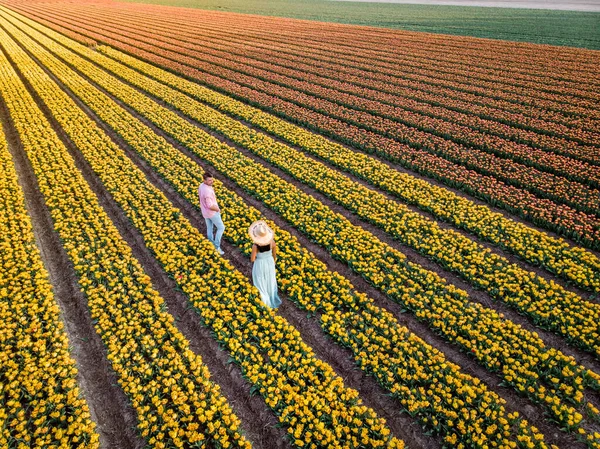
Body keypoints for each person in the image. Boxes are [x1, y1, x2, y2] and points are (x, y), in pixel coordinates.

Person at [249, 220, 281, 309]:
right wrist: (272, 263)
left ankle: (264, 298)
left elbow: (252, 259)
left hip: (260, 263)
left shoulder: (255, 246)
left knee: (260, 279)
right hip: (269, 261)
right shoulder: (272, 242)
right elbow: (274, 255)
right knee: (269, 278)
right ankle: (270, 295)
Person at [198, 172, 225, 255]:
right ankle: (217, 247)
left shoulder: (201, 186)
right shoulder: (207, 191)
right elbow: (210, 205)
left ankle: (211, 244)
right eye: (209, 180)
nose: (212, 181)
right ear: (204, 180)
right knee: (221, 228)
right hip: (212, 213)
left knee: (209, 227)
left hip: (205, 212)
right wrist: (217, 209)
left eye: (212, 179)